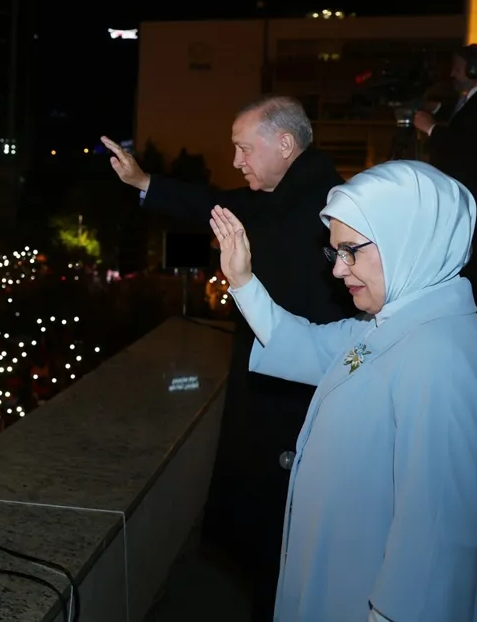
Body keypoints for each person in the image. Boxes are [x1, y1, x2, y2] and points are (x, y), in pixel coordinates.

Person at [209, 160, 477, 622]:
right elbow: (306, 345)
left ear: (408, 240)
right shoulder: (396, 324)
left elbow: (433, 556)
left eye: (351, 250)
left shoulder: (441, 361)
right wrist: (244, 281)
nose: (338, 270)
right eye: (335, 253)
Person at [103, 96, 357, 620]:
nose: (237, 161)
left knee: (282, 532)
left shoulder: (326, 205)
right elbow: (214, 205)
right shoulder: (285, 194)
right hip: (275, 382)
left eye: (244, 148)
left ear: (284, 144)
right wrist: (144, 183)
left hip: (297, 398)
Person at [413, 43, 477, 334]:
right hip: (463, 196)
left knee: (473, 263)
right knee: (463, 262)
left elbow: (472, 147)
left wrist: (432, 129)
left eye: (458, 67)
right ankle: (464, 322)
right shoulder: (467, 99)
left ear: (474, 69)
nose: (453, 74)